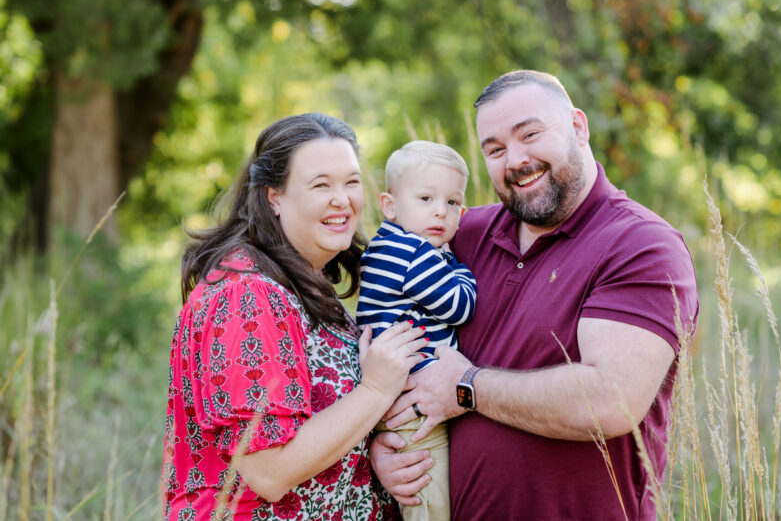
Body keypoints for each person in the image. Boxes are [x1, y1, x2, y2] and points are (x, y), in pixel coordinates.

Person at [370, 70, 699, 520]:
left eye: (530, 134)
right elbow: (383, 314)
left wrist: (467, 388)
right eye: (495, 149)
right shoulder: (459, 233)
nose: (516, 160)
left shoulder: (640, 245)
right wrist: (386, 446)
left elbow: (610, 401)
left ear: (578, 127)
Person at [161, 112, 428, 520]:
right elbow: (269, 472)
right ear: (275, 197)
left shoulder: (304, 283)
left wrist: (374, 457)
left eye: (351, 182)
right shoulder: (246, 295)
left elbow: (328, 426)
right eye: (321, 185)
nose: (342, 200)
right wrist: (375, 390)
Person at [356, 140, 477, 521]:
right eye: (426, 198)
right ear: (390, 205)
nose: (441, 210)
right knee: (428, 496)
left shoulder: (384, 247)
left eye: (453, 202)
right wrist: (464, 272)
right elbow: (459, 306)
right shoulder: (413, 252)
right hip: (413, 403)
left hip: (399, 395)